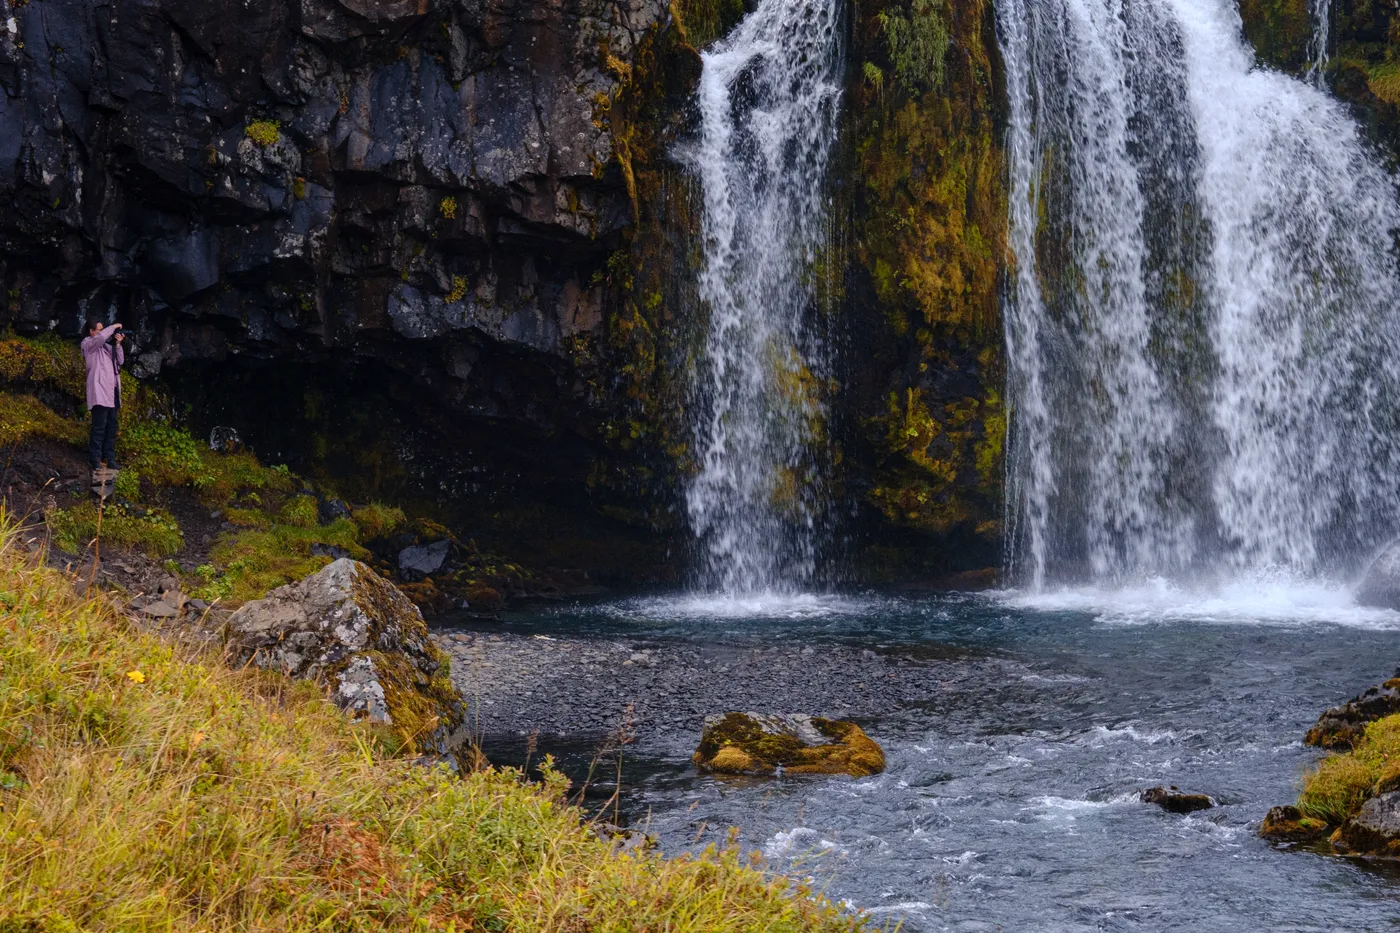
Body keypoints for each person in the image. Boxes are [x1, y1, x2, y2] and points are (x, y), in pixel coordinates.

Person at [81, 318, 125, 472]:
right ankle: (95, 458)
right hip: (99, 391)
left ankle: (109, 457)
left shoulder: (106, 347)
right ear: (91, 331)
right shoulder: (88, 344)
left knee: (111, 426)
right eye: (99, 329)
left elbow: (120, 361)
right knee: (99, 426)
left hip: (112, 391)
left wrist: (118, 344)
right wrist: (112, 326)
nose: (102, 332)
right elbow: (100, 338)